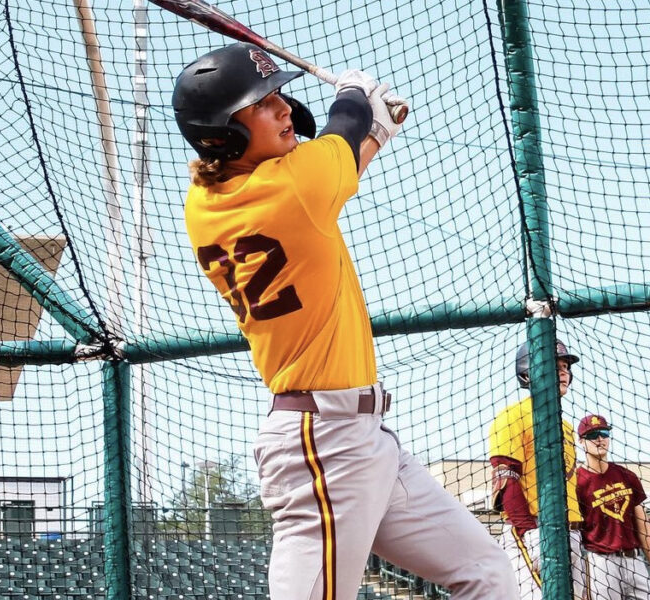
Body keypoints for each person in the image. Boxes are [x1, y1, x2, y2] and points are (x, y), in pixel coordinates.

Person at [174, 42, 515, 600]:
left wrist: (372, 128)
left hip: (364, 436)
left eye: (279, 95)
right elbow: (344, 126)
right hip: (322, 441)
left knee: (486, 572)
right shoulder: (295, 186)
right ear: (222, 134)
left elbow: (344, 153)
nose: (284, 108)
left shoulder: (206, 202)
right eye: (263, 103)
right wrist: (357, 95)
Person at [488, 339, 586, 600]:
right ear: (528, 372)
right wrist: (529, 531)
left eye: (566, 366)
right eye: (556, 366)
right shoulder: (512, 416)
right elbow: (506, 480)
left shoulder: (564, 425)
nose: (564, 372)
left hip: (571, 532)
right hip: (535, 529)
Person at [575, 414, 650, 600]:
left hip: (633, 559)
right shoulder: (577, 482)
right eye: (592, 435)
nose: (599, 439)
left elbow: (644, 528)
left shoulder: (626, 475)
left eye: (604, 433)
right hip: (601, 563)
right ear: (581, 441)